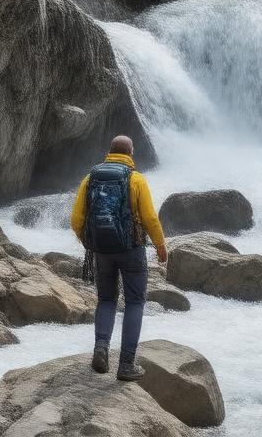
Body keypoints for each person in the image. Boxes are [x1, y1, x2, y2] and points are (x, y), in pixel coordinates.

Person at [70, 135, 168, 381]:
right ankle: (126, 365)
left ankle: (101, 349)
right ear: (131, 153)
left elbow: (76, 219)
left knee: (106, 299)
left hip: (101, 251)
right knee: (134, 302)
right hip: (131, 249)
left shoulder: (89, 178)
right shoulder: (136, 179)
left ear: (109, 152)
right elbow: (150, 218)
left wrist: (87, 240)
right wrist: (160, 245)